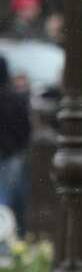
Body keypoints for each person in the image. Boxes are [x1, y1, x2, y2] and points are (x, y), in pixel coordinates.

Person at [0, 57, 32, 236]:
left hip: (9, 152)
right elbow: (25, 129)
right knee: (9, 198)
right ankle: (10, 237)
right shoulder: (15, 98)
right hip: (11, 154)